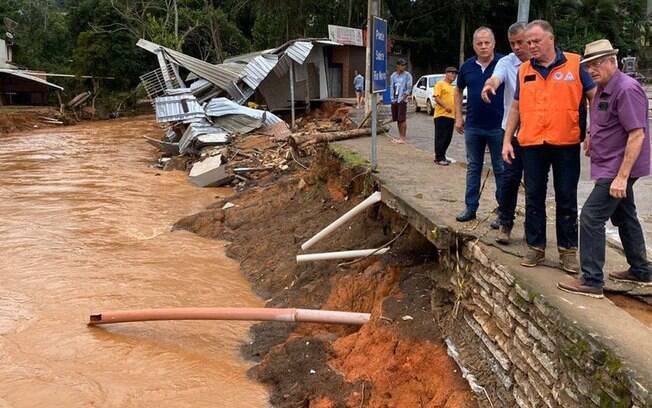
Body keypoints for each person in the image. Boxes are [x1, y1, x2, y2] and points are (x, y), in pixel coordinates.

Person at [558, 39, 652, 298]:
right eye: (588, 65)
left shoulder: (626, 89)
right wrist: (591, 135)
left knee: (590, 217)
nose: (591, 70)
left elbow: (637, 135)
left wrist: (622, 177)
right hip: (609, 162)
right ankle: (642, 271)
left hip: (618, 167)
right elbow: (604, 119)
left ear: (613, 61)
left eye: (597, 64)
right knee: (625, 215)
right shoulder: (604, 87)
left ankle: (591, 280)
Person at [502, 20, 596, 272]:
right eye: (528, 42)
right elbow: (516, 107)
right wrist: (506, 140)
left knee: (566, 197)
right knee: (534, 197)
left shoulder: (576, 65)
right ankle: (536, 247)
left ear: (550, 39)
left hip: (565, 142)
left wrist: (594, 130)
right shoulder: (524, 70)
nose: (530, 46)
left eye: (535, 42)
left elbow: (594, 97)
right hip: (532, 143)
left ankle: (567, 251)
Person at [481, 22, 530, 243]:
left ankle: (534, 230)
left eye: (521, 42)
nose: (518, 47)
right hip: (511, 132)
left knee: (535, 183)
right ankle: (505, 223)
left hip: (538, 133)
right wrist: (489, 85)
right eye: (513, 43)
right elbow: (497, 77)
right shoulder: (506, 62)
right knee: (509, 180)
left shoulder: (541, 63)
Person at [454, 27, 505, 223]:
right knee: (473, 167)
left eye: (487, 42)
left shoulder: (503, 63)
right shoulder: (467, 66)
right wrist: (458, 117)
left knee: (501, 169)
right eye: (479, 43)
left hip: (499, 127)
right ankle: (470, 208)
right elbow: (458, 91)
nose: (483, 46)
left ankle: (503, 212)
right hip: (473, 126)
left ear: (493, 43)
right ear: (474, 45)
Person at [433, 67, 458, 165]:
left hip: (451, 116)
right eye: (451, 73)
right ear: (446, 73)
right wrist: (445, 106)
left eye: (455, 73)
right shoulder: (440, 84)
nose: (453, 75)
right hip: (441, 115)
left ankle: (443, 155)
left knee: (448, 137)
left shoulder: (452, 87)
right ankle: (438, 157)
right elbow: (436, 98)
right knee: (441, 137)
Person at [390, 58, 413, 144]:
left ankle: (403, 138)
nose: (403, 67)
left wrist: (403, 98)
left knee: (402, 119)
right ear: (398, 66)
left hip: (402, 99)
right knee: (397, 119)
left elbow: (409, 88)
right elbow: (391, 87)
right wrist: (392, 99)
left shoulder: (407, 75)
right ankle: (400, 136)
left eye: (404, 65)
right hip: (394, 99)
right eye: (402, 65)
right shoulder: (393, 76)